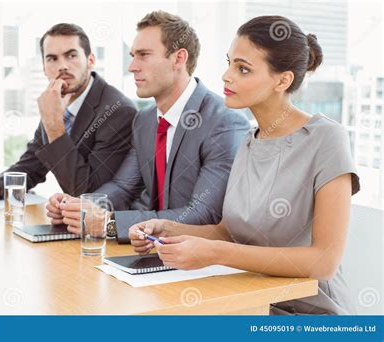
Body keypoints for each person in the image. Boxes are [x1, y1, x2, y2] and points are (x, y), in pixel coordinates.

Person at [129, 15, 360, 315]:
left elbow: (324, 261)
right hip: (250, 302)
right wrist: (167, 229)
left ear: (283, 80)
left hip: (311, 313)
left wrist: (216, 254)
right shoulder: (250, 140)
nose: (226, 76)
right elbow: (229, 232)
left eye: (243, 69)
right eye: (229, 63)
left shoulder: (326, 139)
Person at [47, 11, 250, 243]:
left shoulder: (224, 122)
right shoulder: (144, 120)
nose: (132, 66)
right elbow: (123, 187)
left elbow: (203, 216)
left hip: (199, 264)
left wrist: (109, 225)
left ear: (178, 59)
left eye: (143, 55)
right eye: (133, 55)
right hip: (148, 252)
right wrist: (80, 207)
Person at [0, 23, 137, 207]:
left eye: (71, 55)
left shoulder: (117, 111)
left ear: (90, 60)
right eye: (52, 59)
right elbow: (31, 166)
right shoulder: (57, 103)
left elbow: (91, 196)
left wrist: (54, 125)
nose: (62, 66)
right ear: (44, 68)